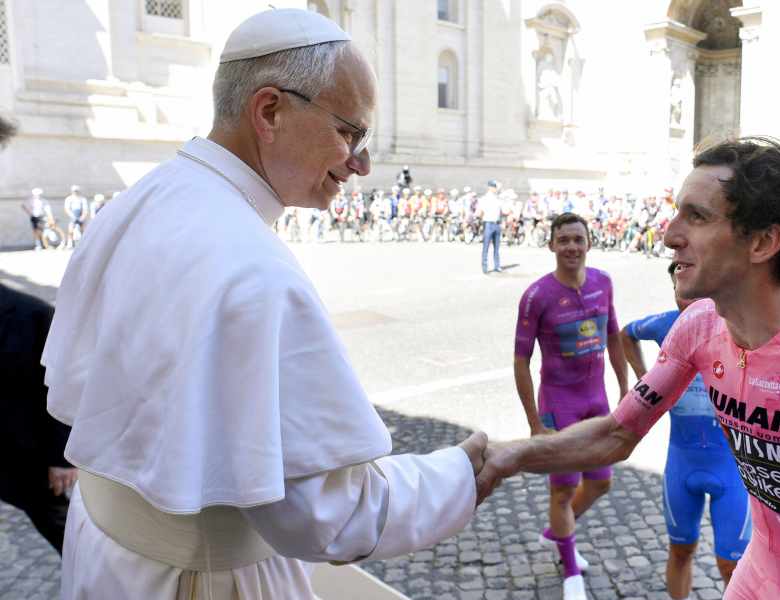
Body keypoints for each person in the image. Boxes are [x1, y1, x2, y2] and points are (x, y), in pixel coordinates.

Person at [43, 9, 488, 599]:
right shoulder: (257, 270)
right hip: (198, 580)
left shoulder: (137, 202)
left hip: (104, 552)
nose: (361, 163)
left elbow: (78, 394)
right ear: (270, 111)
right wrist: (467, 471)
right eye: (350, 132)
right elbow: (334, 515)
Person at [480, 137, 780, 600]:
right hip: (757, 574)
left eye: (696, 216)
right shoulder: (699, 324)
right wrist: (510, 456)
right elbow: (618, 434)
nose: (668, 234)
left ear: (763, 242)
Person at [513, 213, 628, 600]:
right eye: (563, 240)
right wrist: (534, 422)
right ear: (551, 245)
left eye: (578, 239)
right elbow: (520, 361)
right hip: (558, 403)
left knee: (601, 481)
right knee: (562, 492)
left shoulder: (603, 282)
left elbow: (613, 336)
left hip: (596, 399)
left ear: (589, 243)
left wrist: (626, 389)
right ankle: (569, 568)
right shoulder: (537, 296)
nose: (571, 247)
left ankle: (558, 530)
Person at [620, 262, 750, 599]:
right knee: (679, 551)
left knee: (732, 566)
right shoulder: (666, 324)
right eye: (681, 291)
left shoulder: (736, 326)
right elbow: (627, 334)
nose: (689, 299)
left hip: (731, 469)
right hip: (682, 463)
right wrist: (644, 379)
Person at [0, 284, 77, 554]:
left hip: (23, 454)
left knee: (62, 528)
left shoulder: (33, 314)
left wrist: (60, 457)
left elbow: (63, 385)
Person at [479, 179, 503, 273]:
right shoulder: (485, 198)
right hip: (488, 223)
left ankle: (497, 265)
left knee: (496, 247)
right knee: (486, 247)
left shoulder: (497, 198)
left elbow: (500, 211)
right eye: (494, 187)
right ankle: (484, 266)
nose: (496, 189)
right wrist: (482, 222)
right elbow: (481, 211)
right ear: (490, 187)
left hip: (497, 223)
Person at [63, 185, 89, 249]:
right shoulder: (69, 199)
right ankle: (70, 244)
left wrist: (82, 217)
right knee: (71, 231)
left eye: (76, 191)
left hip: (81, 216)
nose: (75, 192)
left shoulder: (82, 199)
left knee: (83, 230)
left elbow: (85, 209)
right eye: (74, 191)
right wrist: (73, 216)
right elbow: (67, 209)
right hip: (73, 216)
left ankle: (83, 244)